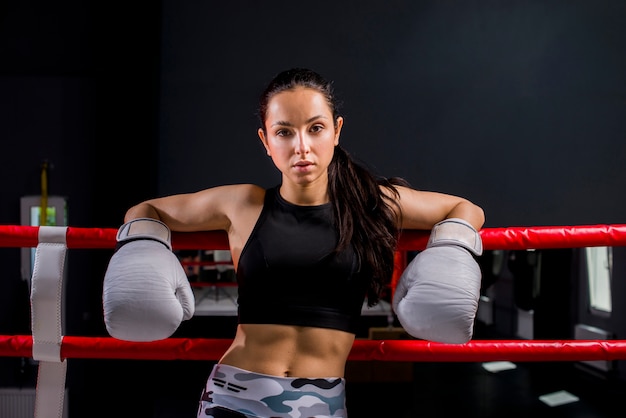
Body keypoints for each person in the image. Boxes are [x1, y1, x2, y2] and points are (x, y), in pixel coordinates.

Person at [102, 67, 485, 418]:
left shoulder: (373, 203)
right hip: (234, 395)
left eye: (315, 128)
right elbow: (145, 210)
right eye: (284, 131)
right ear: (266, 140)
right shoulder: (242, 204)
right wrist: (144, 245)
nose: (301, 146)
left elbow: (464, 209)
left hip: (321, 403)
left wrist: (450, 251)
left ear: (336, 131)